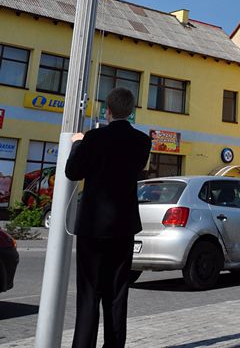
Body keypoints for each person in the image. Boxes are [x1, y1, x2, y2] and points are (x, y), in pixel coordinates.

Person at [66, 87, 151, 348]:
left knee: (89, 292)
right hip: (123, 227)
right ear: (132, 111)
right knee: (117, 293)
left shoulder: (93, 138)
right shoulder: (142, 141)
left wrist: (78, 143)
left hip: (93, 226)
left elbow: (73, 172)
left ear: (108, 110)